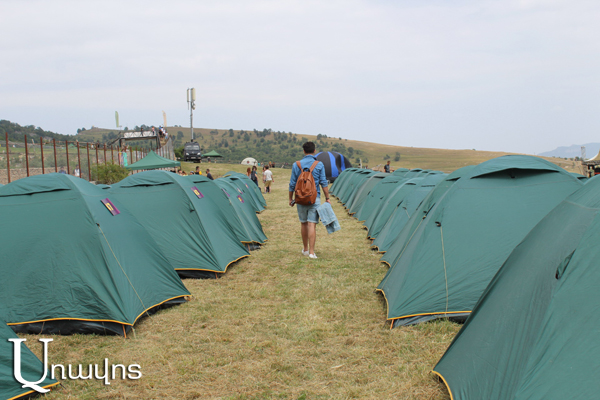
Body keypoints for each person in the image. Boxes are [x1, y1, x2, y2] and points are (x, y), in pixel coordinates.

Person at [288, 141, 330, 259]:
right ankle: (312, 252)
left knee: (303, 223)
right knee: (312, 224)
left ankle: (305, 249)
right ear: (314, 151)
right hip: (314, 198)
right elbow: (323, 182)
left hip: (300, 198)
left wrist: (290, 198)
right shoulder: (319, 164)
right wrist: (327, 198)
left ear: (304, 151)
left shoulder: (296, 164)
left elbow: (292, 183)